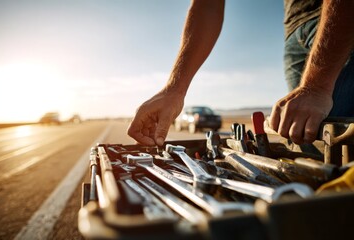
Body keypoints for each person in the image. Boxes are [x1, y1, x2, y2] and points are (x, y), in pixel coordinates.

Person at [127, 0, 354, 146]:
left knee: (342, 159)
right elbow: (207, 4)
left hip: (339, 23)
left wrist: (317, 85)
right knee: (314, 154)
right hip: (294, 32)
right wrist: (175, 89)